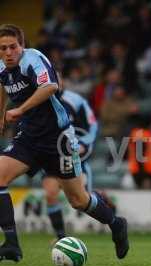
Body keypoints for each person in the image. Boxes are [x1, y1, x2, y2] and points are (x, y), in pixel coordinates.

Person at [0, 24, 128, 262]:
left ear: (22, 45)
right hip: (29, 138)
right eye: (3, 48)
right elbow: (5, 90)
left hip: (58, 139)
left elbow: (50, 87)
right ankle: (11, 244)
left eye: (13, 47)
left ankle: (116, 223)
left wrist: (20, 110)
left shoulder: (33, 59)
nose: (8, 52)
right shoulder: (2, 68)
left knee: (78, 200)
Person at [43, 73, 116, 241]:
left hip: (72, 156)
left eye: (57, 77)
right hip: (50, 157)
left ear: (62, 81)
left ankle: (102, 198)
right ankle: (61, 237)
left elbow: (92, 124)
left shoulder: (75, 100)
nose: (54, 81)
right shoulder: (40, 100)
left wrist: (83, 143)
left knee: (81, 200)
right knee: (50, 193)